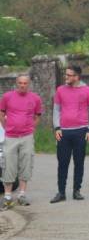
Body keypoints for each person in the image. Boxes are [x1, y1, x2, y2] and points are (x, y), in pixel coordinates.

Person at [50, 65, 89, 203]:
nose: (66, 77)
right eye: (66, 74)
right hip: (63, 132)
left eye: (69, 75)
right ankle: (61, 192)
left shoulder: (88, 91)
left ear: (77, 76)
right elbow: (56, 110)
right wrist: (57, 127)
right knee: (62, 162)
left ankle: (77, 190)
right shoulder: (60, 90)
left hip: (81, 131)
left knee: (79, 162)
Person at [0, 74, 43, 209]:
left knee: (26, 163)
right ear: (16, 83)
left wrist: (31, 129)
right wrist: (6, 128)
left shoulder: (35, 99)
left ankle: (22, 195)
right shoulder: (7, 97)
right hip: (10, 136)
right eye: (20, 83)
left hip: (27, 137)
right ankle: (7, 197)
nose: (22, 85)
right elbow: (1, 113)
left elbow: (37, 116)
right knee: (9, 164)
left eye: (25, 83)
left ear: (28, 84)